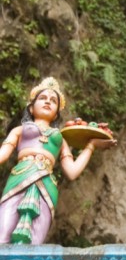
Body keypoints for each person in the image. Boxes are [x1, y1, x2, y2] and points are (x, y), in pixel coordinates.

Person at [0, 77, 116, 244]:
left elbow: (72, 171)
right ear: (31, 108)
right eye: (43, 98)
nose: (48, 102)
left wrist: (91, 146)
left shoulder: (61, 139)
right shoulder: (20, 130)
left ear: (56, 113)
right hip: (20, 177)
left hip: (46, 185)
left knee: (36, 237)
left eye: (53, 100)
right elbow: (3, 154)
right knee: (4, 230)